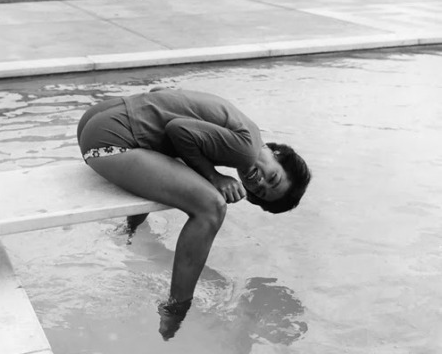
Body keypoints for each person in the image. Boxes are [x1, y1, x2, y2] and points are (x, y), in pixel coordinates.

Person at [77, 87, 311, 339]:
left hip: (98, 119)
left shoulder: (245, 127)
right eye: (273, 177)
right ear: (278, 153)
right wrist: (215, 177)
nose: (259, 182)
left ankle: (130, 231)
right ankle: (175, 309)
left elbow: (162, 101)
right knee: (211, 206)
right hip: (106, 142)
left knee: (182, 169)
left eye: (261, 191)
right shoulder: (245, 149)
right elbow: (178, 130)